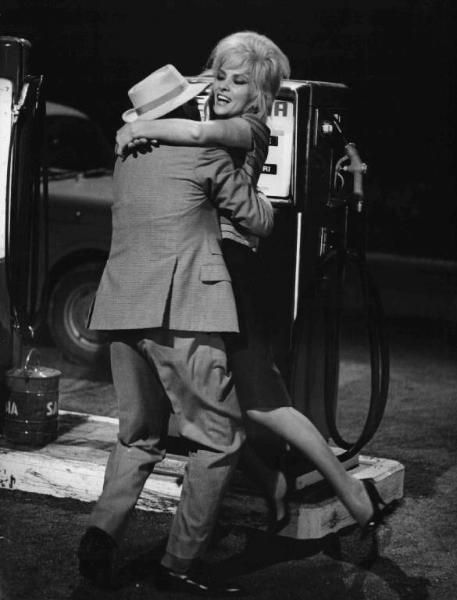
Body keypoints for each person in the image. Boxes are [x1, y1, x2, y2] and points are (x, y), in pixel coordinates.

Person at [115, 31, 398, 547]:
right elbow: (197, 112)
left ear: (262, 95)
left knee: (265, 402)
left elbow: (198, 134)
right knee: (224, 400)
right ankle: (274, 485)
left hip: (231, 274)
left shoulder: (248, 128)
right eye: (221, 77)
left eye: (240, 81)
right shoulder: (222, 121)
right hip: (209, 273)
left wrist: (138, 126)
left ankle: (354, 495)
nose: (224, 86)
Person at [77, 63, 274, 596]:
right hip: (184, 309)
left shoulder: (126, 157)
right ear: (186, 109)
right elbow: (258, 219)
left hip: (120, 307)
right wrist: (250, 171)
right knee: (219, 438)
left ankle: (100, 537)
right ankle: (179, 564)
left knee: (137, 436)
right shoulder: (207, 154)